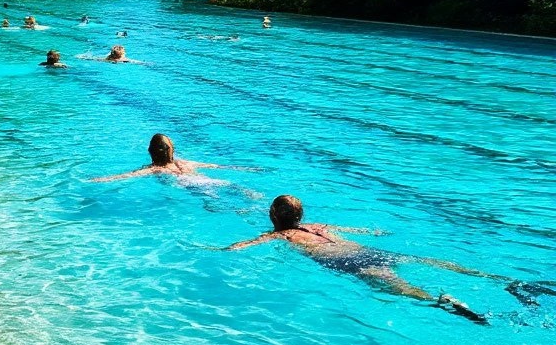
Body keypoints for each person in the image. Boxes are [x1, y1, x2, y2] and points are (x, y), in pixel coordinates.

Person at [225, 195, 495, 324]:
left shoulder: (281, 235)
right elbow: (362, 231)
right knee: (424, 260)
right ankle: (498, 279)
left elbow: (245, 245)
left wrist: (222, 250)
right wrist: (376, 232)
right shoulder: (319, 226)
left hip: (349, 262)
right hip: (365, 251)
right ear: (302, 214)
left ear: (273, 215)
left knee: (396, 286)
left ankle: (440, 301)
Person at [91, 134, 241, 183]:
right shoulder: (185, 162)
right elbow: (216, 166)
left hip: (192, 186)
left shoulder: (156, 169)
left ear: (151, 152)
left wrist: (100, 179)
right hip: (210, 181)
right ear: (172, 150)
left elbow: (128, 175)